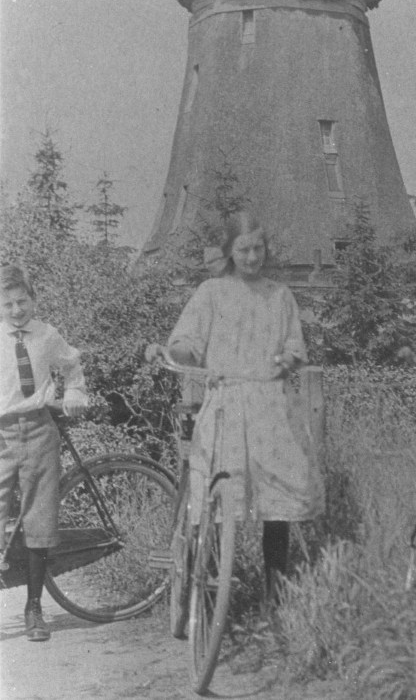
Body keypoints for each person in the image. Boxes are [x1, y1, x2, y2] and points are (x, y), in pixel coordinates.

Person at [162, 211, 324, 610]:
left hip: (271, 405)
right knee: (218, 499)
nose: (252, 257)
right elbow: (187, 341)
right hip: (227, 403)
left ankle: (275, 593)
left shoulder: (280, 294)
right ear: (230, 251)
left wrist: (290, 357)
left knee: (277, 502)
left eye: (258, 248)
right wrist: (178, 351)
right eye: (243, 249)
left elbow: (295, 346)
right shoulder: (212, 292)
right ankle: (208, 591)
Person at [0, 264, 88, 641]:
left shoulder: (47, 335)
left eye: (22, 301)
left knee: (40, 519)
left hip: (39, 429)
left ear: (34, 300)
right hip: (1, 434)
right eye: (8, 304)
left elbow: (72, 365)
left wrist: (74, 393)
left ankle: (34, 608)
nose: (17, 310)